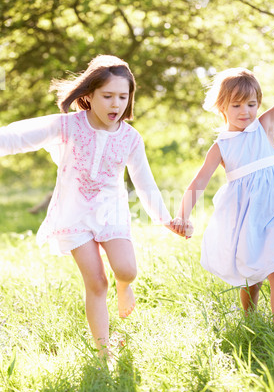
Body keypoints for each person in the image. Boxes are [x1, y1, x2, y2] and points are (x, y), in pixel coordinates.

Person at [0, 54, 182, 358]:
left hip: (111, 214)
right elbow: (19, 136)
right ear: (88, 96)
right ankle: (103, 351)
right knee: (96, 282)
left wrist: (165, 219)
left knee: (127, 270)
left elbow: (145, 183)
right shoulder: (67, 127)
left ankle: (124, 286)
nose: (115, 104)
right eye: (107, 96)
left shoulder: (130, 138)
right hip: (74, 216)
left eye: (122, 97)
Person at [172, 26, 274, 322]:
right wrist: (184, 216)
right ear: (222, 107)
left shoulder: (265, 126)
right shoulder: (221, 146)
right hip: (244, 213)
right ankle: (251, 319)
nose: (246, 111)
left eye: (252, 104)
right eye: (237, 105)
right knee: (250, 272)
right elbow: (198, 182)